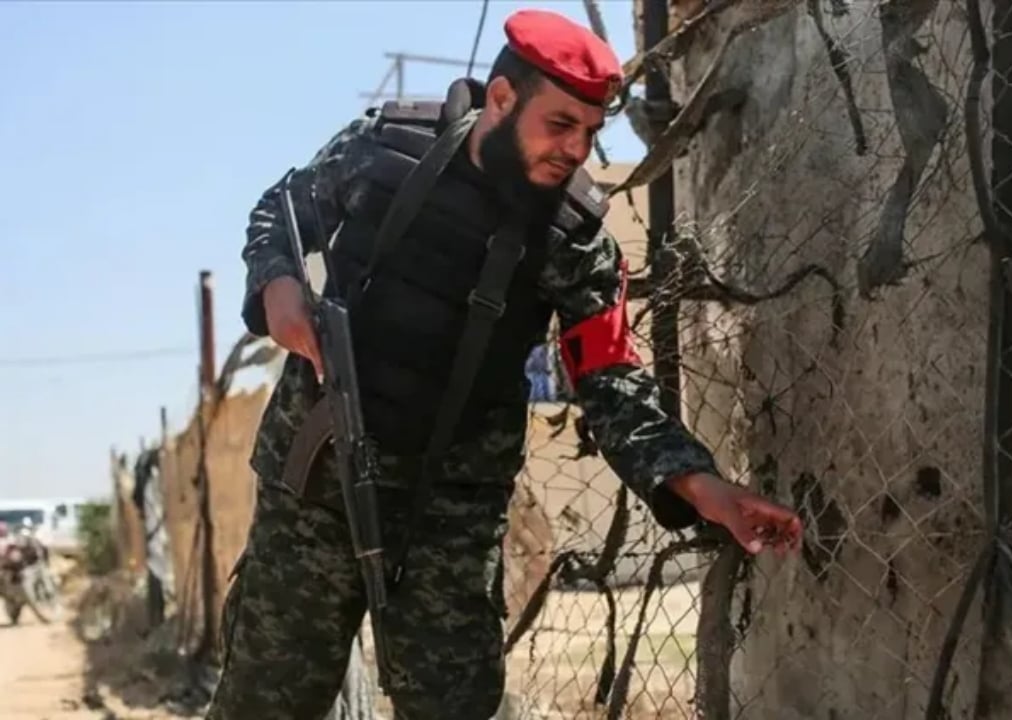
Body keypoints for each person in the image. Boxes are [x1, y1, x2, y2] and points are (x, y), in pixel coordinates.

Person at [206, 8, 804, 719]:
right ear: (499, 99)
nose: (577, 149)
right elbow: (280, 210)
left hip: (447, 514)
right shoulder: (384, 149)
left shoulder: (576, 241)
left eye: (591, 131)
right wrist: (278, 288)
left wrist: (706, 488)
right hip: (316, 484)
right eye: (560, 124)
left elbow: (613, 384)